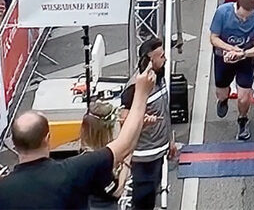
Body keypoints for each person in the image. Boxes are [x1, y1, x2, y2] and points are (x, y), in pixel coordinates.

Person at [0, 67, 156, 209]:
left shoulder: (4, 189)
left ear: (13, 143)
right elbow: (124, 145)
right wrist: (141, 94)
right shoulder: (73, 171)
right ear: (48, 138)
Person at [209, 0, 254, 142]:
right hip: (223, 58)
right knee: (222, 93)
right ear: (236, 6)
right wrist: (230, 49)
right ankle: (223, 100)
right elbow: (213, 38)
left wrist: (242, 53)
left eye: (247, 16)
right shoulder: (222, 12)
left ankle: (243, 119)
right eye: (241, 15)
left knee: (243, 98)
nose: (244, 19)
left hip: (244, 59)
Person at [123, 39, 172, 210]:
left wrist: (169, 141)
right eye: (162, 56)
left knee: (151, 197)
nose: (165, 59)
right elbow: (124, 121)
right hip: (143, 156)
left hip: (158, 152)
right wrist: (142, 121)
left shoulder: (159, 78)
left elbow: (164, 111)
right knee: (142, 200)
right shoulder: (134, 88)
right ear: (150, 60)